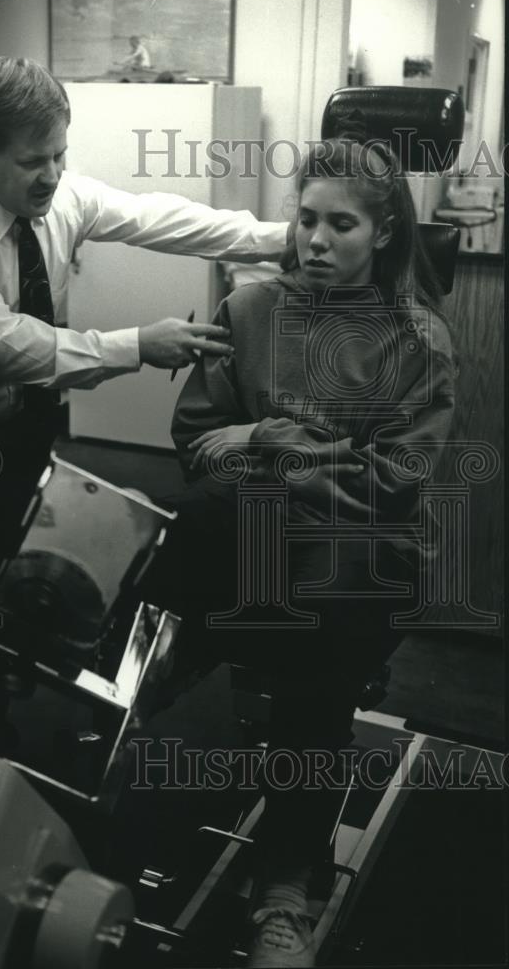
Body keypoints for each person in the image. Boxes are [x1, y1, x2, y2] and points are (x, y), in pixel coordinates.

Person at [0, 56, 288, 745]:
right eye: (35, 160)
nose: (53, 175)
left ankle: (4, 693)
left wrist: (285, 240)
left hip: (23, 422)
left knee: (17, 573)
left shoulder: (59, 196)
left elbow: (157, 218)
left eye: (61, 154)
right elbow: (7, 344)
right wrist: (137, 344)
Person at [141, 124, 456, 966]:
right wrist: (262, 440)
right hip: (248, 538)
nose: (316, 241)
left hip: (360, 558)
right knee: (202, 516)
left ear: (383, 233)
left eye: (341, 226)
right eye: (307, 220)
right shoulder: (247, 308)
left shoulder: (417, 342)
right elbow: (197, 442)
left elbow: (389, 486)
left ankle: (285, 888)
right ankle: (155, 661)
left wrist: (275, 452)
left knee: (321, 639)